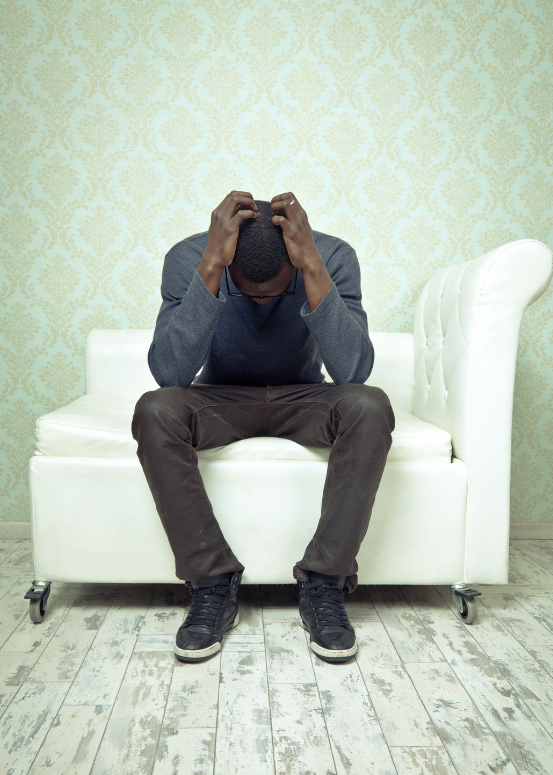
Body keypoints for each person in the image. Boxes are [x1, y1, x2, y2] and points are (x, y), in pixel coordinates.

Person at [132, 191, 394, 664]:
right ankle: (211, 582)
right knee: (154, 409)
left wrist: (312, 266)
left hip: (303, 397)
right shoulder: (191, 257)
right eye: (246, 295)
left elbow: (353, 369)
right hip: (220, 399)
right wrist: (212, 265)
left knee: (369, 405)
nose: (260, 305)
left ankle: (324, 583)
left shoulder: (331, 256)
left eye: (274, 294)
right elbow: (170, 374)